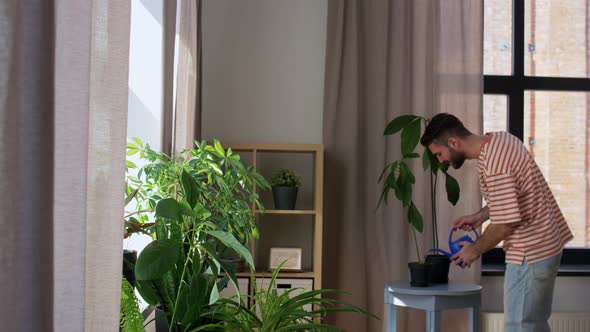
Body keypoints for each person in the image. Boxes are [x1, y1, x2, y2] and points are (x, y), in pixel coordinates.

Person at [420, 113, 573, 332]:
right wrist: (480, 216)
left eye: (439, 153)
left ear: (453, 142)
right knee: (533, 325)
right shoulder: (501, 140)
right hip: (546, 244)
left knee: (520, 327)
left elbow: (505, 224)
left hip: (529, 252)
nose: (440, 160)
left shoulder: (494, 165)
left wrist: (473, 249)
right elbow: (515, 196)